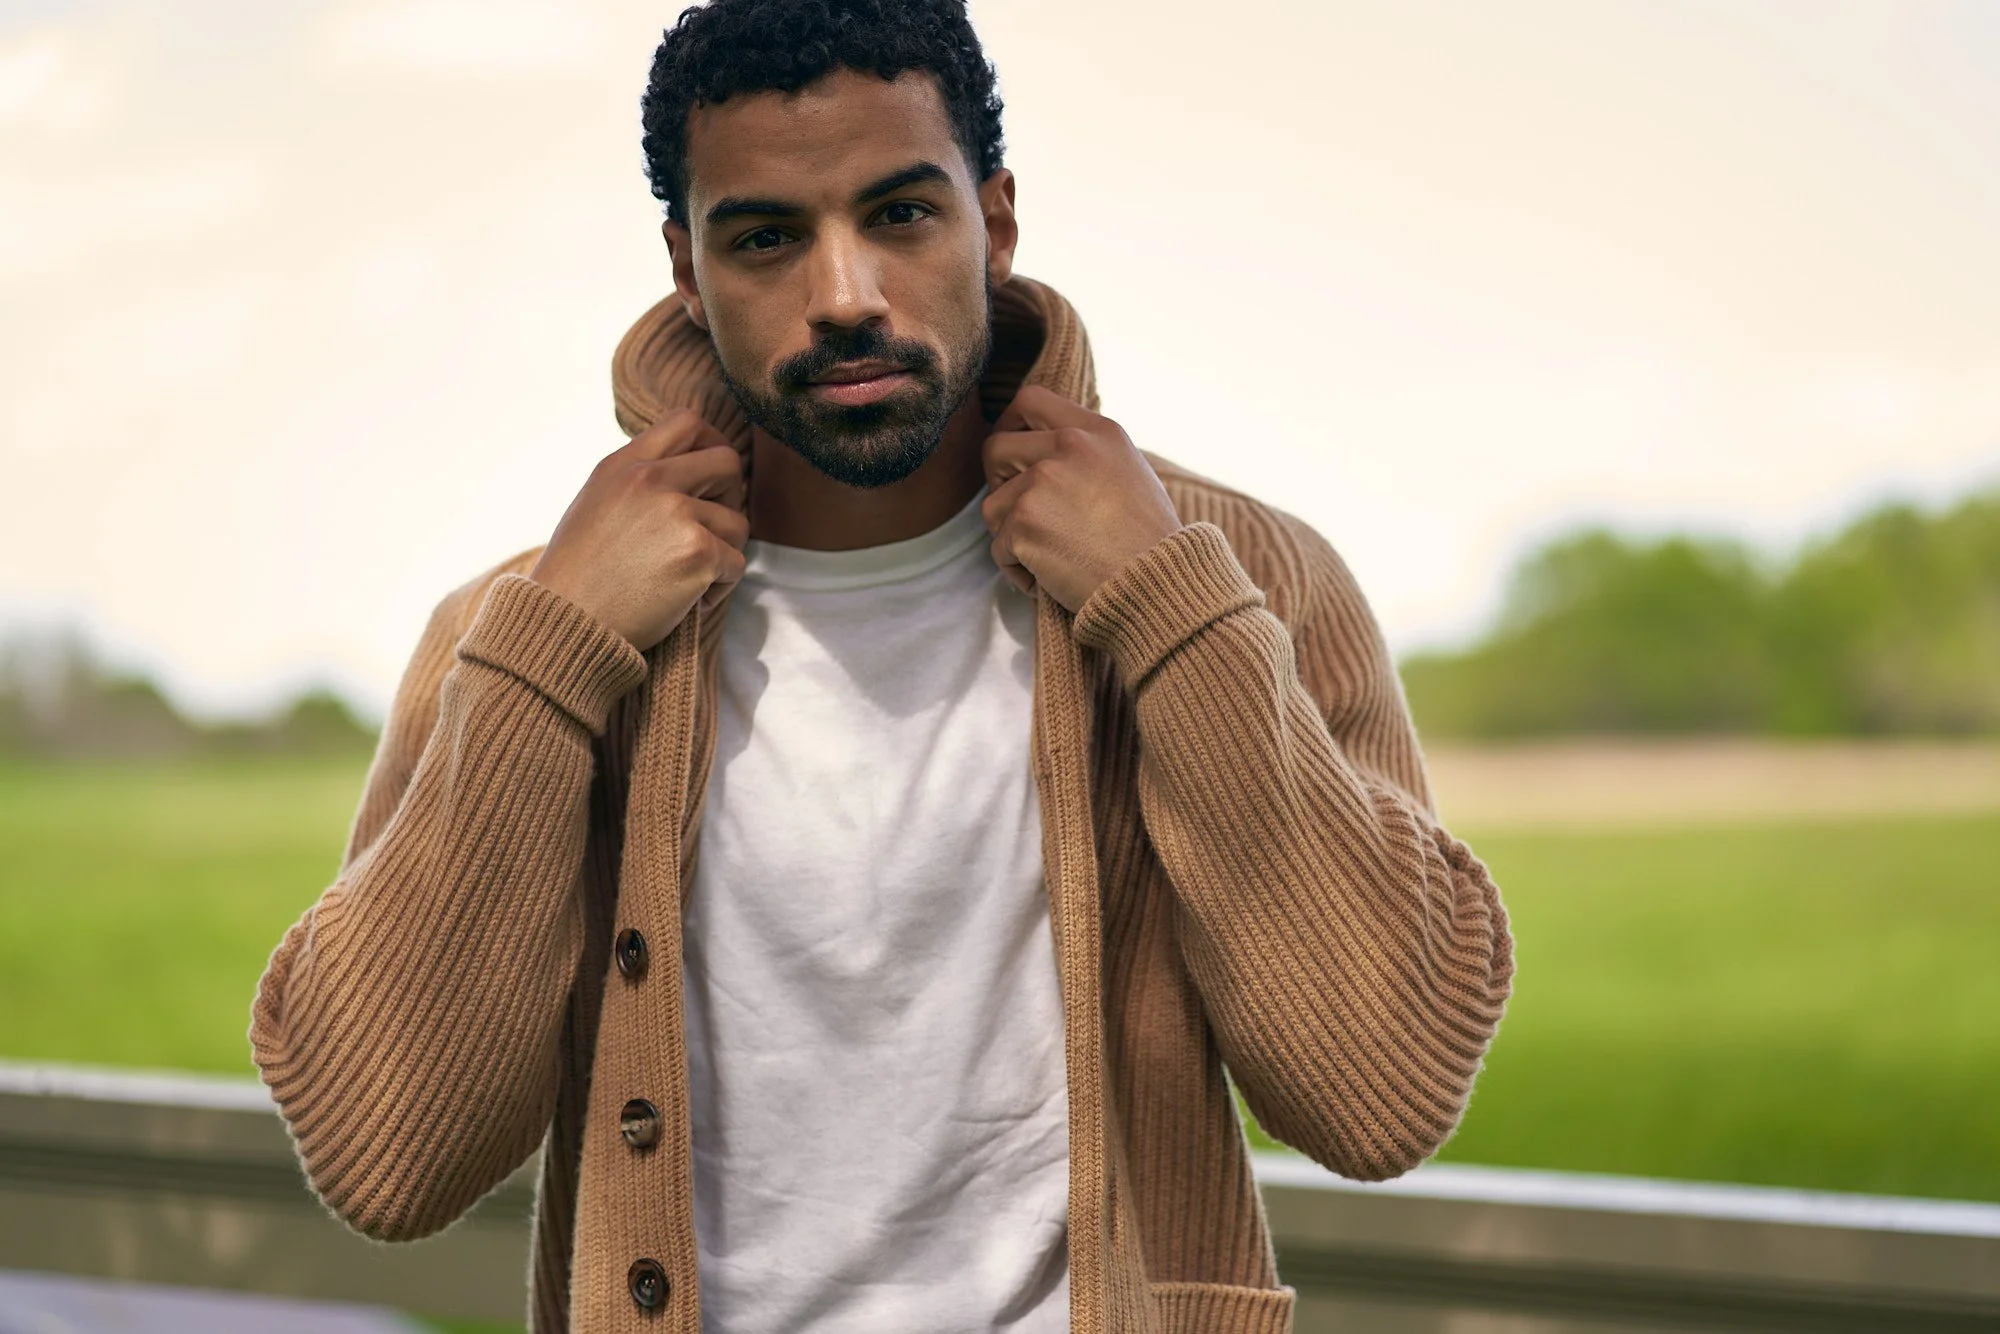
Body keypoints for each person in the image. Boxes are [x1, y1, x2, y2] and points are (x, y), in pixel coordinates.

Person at [248, 2, 1514, 1331]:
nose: (845, 296)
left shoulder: (1240, 572)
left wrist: (1166, 606)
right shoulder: (528, 631)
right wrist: (556, 651)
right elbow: (388, 1157)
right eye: (766, 238)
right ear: (687, 269)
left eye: (902, 215)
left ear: (996, 220)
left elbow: (1386, 1088)